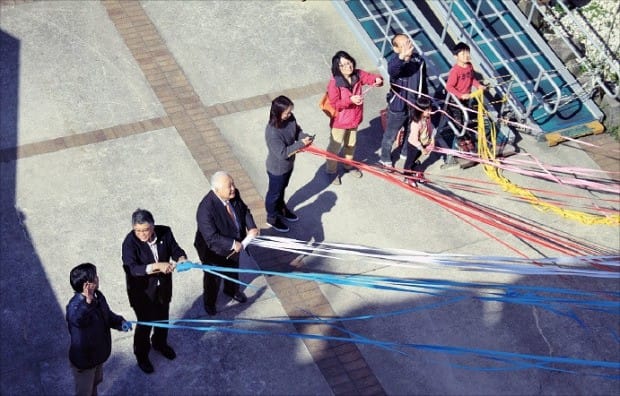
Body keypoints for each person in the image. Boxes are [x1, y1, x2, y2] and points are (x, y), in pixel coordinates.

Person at [121, 209, 187, 374]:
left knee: (162, 318)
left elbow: (175, 249)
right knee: (145, 324)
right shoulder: (129, 243)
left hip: (163, 287)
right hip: (142, 292)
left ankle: (159, 343)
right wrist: (158, 266)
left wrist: (181, 258)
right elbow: (133, 269)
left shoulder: (165, 232)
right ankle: (142, 355)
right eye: (138, 230)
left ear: (153, 226)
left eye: (145, 230)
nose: (142, 234)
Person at [194, 171, 259, 316]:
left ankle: (231, 290)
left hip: (235, 244)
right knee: (213, 279)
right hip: (214, 251)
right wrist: (232, 244)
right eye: (229, 186)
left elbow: (244, 210)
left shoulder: (234, 194)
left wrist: (251, 226)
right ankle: (210, 303)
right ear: (216, 190)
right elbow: (211, 237)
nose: (233, 188)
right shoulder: (205, 209)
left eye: (233, 184)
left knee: (233, 269)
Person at [66, 262, 131, 396]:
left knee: (95, 384)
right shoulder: (75, 306)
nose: (98, 278)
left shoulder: (98, 297)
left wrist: (120, 322)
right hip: (85, 363)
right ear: (86, 285)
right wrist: (87, 303)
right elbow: (77, 319)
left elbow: (107, 315)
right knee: (84, 392)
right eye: (94, 277)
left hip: (97, 356)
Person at [325, 50, 383, 185]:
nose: (348, 66)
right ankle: (331, 171)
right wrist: (350, 100)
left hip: (354, 119)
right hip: (339, 122)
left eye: (349, 62)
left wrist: (377, 79)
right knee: (334, 148)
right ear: (337, 68)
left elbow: (369, 77)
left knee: (351, 145)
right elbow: (335, 104)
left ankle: (348, 166)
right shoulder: (334, 83)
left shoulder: (357, 74)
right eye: (343, 65)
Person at [265, 95, 314, 232]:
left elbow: (297, 131)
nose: (290, 114)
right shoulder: (272, 132)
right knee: (274, 194)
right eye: (287, 112)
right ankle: (272, 217)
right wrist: (300, 144)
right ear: (278, 113)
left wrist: (304, 137)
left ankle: (281, 209)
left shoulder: (290, 119)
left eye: (290, 111)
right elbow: (282, 153)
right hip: (277, 169)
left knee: (282, 189)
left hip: (288, 166)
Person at [379, 33, 428, 169]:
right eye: (403, 44)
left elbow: (423, 82)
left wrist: (424, 101)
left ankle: (405, 151)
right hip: (398, 105)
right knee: (391, 134)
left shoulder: (419, 61)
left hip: (414, 104)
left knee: (410, 130)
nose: (408, 45)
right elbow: (393, 70)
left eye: (408, 42)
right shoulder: (395, 62)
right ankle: (385, 158)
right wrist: (402, 57)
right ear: (396, 49)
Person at [445, 41, 486, 157]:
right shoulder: (455, 71)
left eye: (467, 53)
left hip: (467, 98)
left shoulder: (469, 66)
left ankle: (468, 140)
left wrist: (479, 85)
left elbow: (471, 79)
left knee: (466, 119)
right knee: (459, 121)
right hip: (455, 100)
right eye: (463, 54)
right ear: (456, 57)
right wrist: (460, 95)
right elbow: (449, 87)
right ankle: (461, 141)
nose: (466, 56)